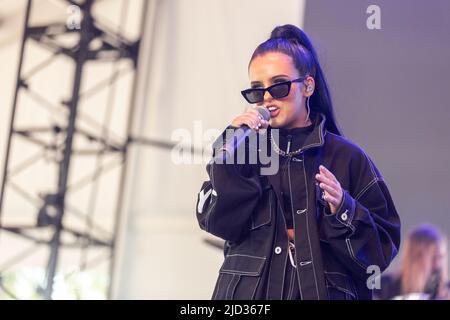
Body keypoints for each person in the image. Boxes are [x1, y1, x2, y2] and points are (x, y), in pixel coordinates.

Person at [196, 24, 401, 300]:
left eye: (279, 86)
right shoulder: (244, 151)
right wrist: (230, 149)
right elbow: (217, 223)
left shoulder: (348, 158)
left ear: (307, 86)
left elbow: (381, 253)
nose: (267, 97)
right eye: (257, 90)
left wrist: (343, 208)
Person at [374, 224, 450, 300]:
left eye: (441, 257)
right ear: (416, 258)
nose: (438, 264)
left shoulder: (446, 289)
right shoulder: (384, 286)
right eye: (433, 258)